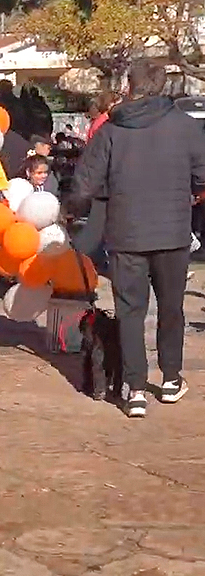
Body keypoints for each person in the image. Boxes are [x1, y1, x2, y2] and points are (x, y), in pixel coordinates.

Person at [72, 59, 205, 418]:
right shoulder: (185, 127)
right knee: (171, 308)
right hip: (173, 230)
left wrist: (79, 210)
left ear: (130, 86)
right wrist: (189, 192)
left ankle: (134, 388)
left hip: (126, 231)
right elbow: (203, 174)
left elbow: (85, 182)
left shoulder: (112, 130)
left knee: (131, 311)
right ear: (162, 87)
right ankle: (172, 377)